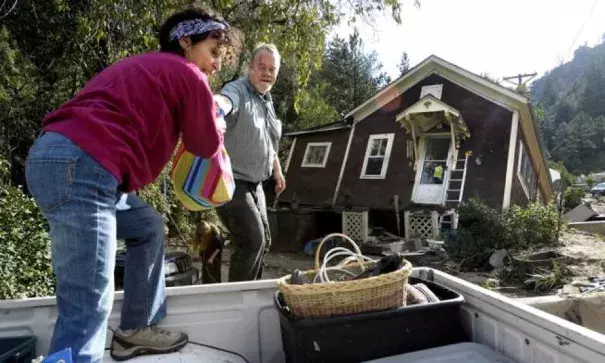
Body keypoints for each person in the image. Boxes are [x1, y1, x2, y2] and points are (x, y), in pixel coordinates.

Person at [24, 7, 239, 363]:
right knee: (89, 301)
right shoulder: (187, 73)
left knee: (147, 226)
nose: (216, 65)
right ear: (185, 42)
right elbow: (205, 146)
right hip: (84, 168)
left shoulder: (140, 65)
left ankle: (136, 331)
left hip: (57, 161)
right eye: (213, 53)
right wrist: (217, 116)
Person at [213, 43, 285, 282]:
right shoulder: (238, 90)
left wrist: (277, 171)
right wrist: (216, 108)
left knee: (264, 241)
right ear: (250, 67)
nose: (266, 73)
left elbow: (269, 142)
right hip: (231, 183)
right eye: (261, 67)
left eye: (271, 69)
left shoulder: (267, 100)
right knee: (252, 240)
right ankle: (237, 299)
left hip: (257, 185)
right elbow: (225, 101)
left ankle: (251, 295)